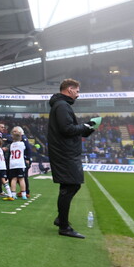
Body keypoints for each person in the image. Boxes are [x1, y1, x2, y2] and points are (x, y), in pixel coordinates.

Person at [47, 79, 96, 239]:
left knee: (71, 186)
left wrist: (87, 128)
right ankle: (64, 226)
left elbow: (68, 129)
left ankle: (62, 219)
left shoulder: (61, 105)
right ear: (69, 89)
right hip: (64, 153)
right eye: (77, 91)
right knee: (70, 186)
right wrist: (85, 126)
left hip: (65, 152)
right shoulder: (62, 106)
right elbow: (67, 129)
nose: (78, 94)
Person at [6, 127, 28, 200]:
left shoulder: (11, 145)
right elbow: (26, 148)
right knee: (21, 179)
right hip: (20, 164)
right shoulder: (22, 144)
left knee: (13, 179)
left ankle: (13, 194)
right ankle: (24, 194)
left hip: (12, 164)